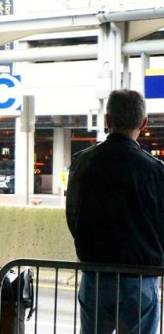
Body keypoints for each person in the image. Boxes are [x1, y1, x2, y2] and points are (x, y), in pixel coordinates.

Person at [66, 89, 164, 334]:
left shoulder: (82, 162)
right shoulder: (156, 170)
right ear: (143, 123)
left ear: (107, 121)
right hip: (141, 277)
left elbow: (73, 215)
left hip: (95, 274)